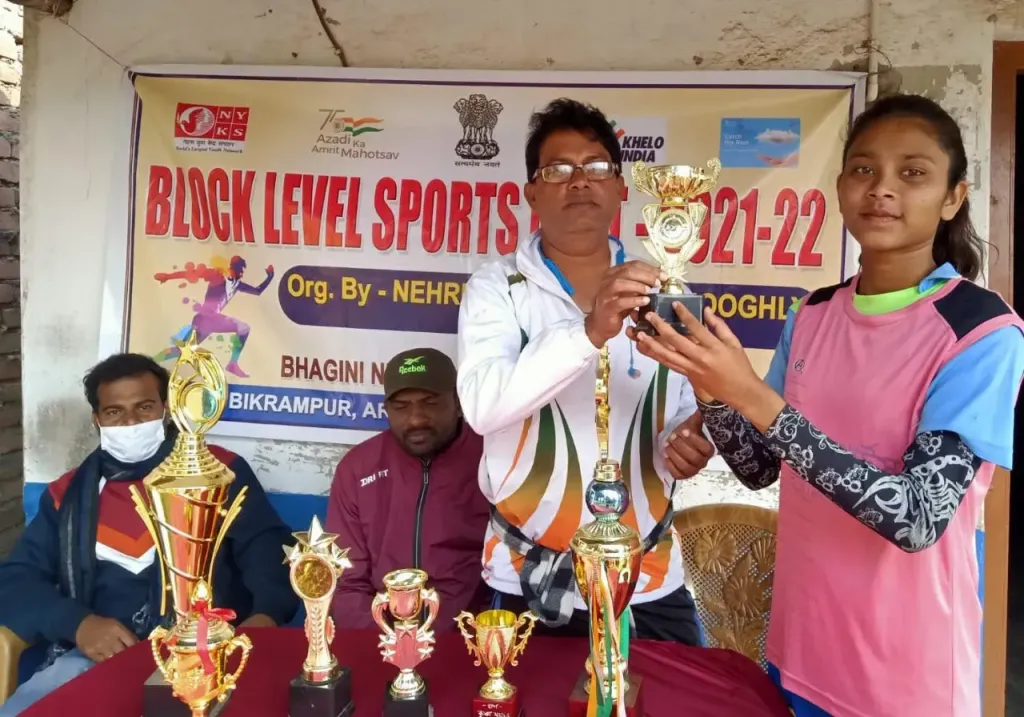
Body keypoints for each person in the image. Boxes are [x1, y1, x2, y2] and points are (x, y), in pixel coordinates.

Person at [632, 94, 1024, 716]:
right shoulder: (814, 313)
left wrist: (748, 392)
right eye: (863, 168)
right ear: (840, 186)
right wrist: (709, 385)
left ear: (953, 197)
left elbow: (916, 518)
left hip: (904, 676)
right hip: (801, 649)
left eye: (913, 172)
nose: (882, 188)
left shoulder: (981, 331)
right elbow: (761, 465)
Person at [456, 98, 712, 645]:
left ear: (621, 188)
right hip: (527, 572)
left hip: (647, 574)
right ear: (531, 192)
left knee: (670, 690)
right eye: (557, 169)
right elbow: (482, 407)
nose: (578, 181)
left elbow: (685, 405)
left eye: (595, 167)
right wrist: (588, 330)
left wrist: (688, 439)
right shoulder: (498, 287)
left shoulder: (659, 288)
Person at [0, 354, 298, 715]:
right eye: (114, 412)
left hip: (208, 657)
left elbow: (267, 551)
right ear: (96, 420)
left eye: (144, 407)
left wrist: (264, 617)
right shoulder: (66, 496)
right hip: (98, 657)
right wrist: (77, 624)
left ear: (166, 409)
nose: (130, 422)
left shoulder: (219, 474)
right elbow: (16, 580)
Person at [326, 348, 490, 630]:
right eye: (401, 406)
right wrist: (387, 641)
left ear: (458, 402)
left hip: (472, 637)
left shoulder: (493, 460)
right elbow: (346, 580)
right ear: (386, 410)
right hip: (380, 635)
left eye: (431, 403)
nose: (416, 419)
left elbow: (510, 573)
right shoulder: (358, 468)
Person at [154, 255, 274, 378]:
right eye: (242, 270)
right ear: (235, 268)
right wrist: (168, 276)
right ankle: (232, 364)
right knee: (244, 328)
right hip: (207, 318)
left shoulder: (237, 284)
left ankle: (154, 360)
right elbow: (192, 274)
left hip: (208, 322)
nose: (243, 273)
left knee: (182, 350)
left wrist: (270, 277)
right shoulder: (218, 275)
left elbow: (257, 291)